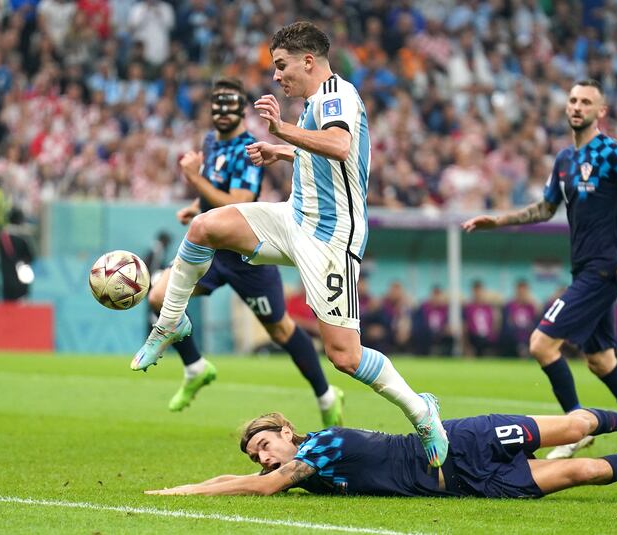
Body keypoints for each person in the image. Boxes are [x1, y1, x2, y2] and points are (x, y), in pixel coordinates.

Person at [132, 22, 449, 467]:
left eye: (281, 66)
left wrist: (280, 132)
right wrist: (283, 150)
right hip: (294, 216)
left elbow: (339, 145)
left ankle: (421, 411)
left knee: (345, 356)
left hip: (329, 236)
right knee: (204, 227)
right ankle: (170, 325)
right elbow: (328, 153)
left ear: (308, 61)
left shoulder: (337, 94)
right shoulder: (316, 102)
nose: (276, 77)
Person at [462, 80, 617, 459]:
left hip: (604, 269)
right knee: (601, 361)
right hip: (584, 270)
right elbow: (544, 208)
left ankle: (574, 429)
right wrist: (498, 220)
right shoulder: (564, 160)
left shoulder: (611, 153)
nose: (577, 106)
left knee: (541, 344)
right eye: (573, 100)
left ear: (600, 111)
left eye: (586, 102)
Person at [144, 77, 343, 426]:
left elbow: (240, 203)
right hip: (211, 252)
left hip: (247, 256)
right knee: (159, 297)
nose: (223, 111)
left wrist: (195, 179)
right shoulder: (211, 142)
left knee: (280, 331)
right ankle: (195, 367)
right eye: (217, 104)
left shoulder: (248, 149)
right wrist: (196, 205)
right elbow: (217, 192)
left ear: (242, 109)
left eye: (230, 104)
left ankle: (327, 394)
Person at [144, 404, 617, 498]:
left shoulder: (316, 449)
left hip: (463, 438)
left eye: (265, 445)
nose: (264, 460)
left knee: (570, 424)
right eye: (257, 456)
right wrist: (203, 484)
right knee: (579, 470)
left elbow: (265, 486)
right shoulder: (306, 467)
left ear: (287, 431)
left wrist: (188, 489)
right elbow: (254, 480)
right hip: (467, 483)